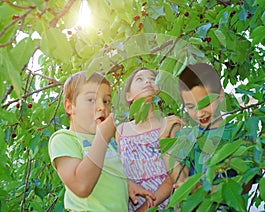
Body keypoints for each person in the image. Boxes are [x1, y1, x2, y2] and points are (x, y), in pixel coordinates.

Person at [48, 71, 155, 211]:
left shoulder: (109, 143)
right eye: (91, 100)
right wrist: (102, 138)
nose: (102, 107)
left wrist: (125, 184)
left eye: (106, 101)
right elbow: (81, 186)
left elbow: (106, 172)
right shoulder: (64, 139)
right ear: (69, 106)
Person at [175, 62, 253, 194]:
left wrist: (207, 191)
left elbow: (246, 183)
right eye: (190, 107)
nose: (200, 113)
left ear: (220, 95)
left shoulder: (238, 134)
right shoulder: (186, 138)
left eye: (205, 103)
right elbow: (180, 180)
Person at [116, 68, 187, 211]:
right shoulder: (121, 130)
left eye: (152, 79)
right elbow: (121, 172)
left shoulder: (170, 124)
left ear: (158, 89)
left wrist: (144, 209)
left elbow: (175, 176)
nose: (147, 81)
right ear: (129, 95)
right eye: (139, 79)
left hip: (164, 206)